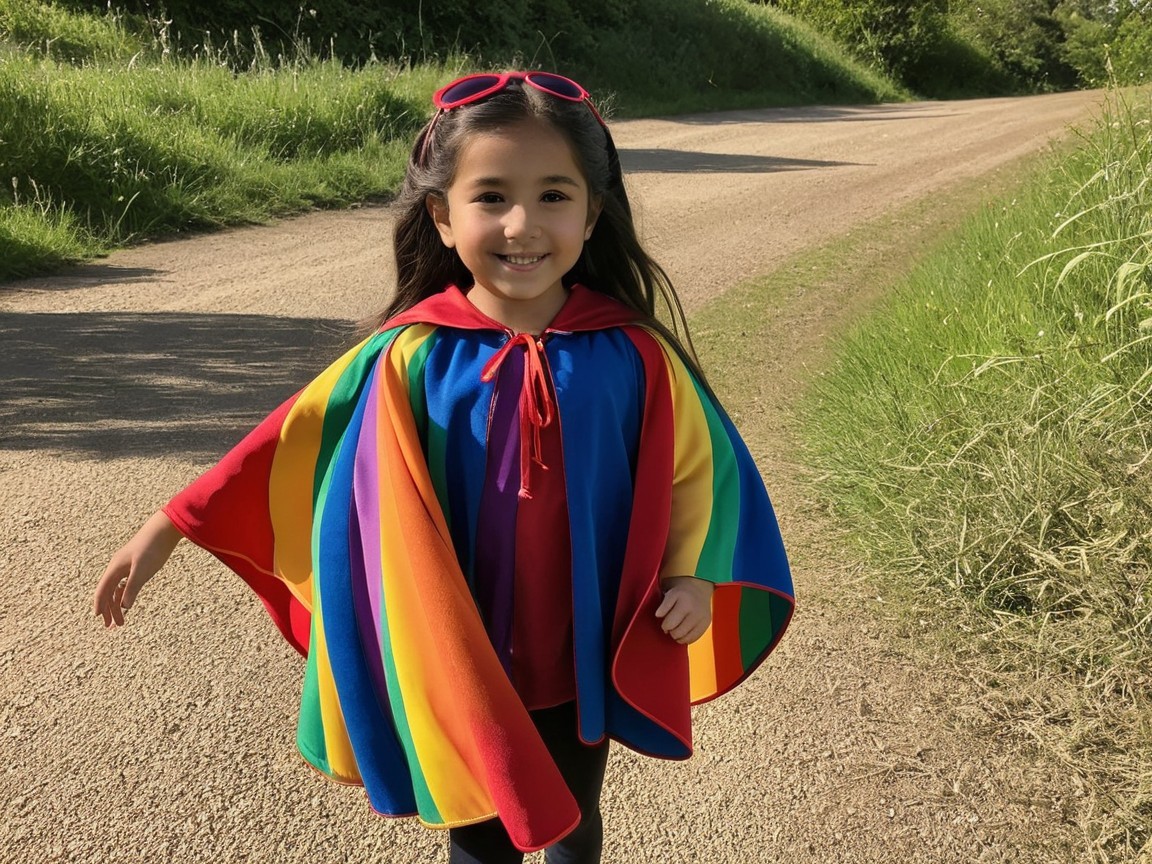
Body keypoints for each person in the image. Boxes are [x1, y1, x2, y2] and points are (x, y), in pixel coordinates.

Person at [92, 70, 794, 864]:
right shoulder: (408, 354)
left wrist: (692, 574)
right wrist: (167, 528)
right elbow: (288, 439)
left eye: (555, 196)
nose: (523, 222)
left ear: (594, 214)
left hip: (585, 632)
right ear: (441, 215)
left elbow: (701, 473)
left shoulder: (632, 354)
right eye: (490, 195)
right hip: (460, 640)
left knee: (570, 812)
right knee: (479, 823)